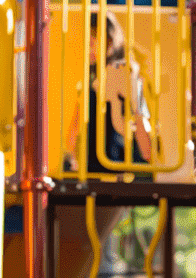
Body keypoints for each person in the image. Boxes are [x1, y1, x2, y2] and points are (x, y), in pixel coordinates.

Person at [65, 11, 152, 174]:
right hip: (97, 158)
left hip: (114, 156)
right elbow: (77, 120)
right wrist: (71, 154)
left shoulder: (121, 70)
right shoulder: (93, 74)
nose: (88, 50)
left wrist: (147, 156)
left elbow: (138, 115)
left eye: (92, 44)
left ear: (110, 42)